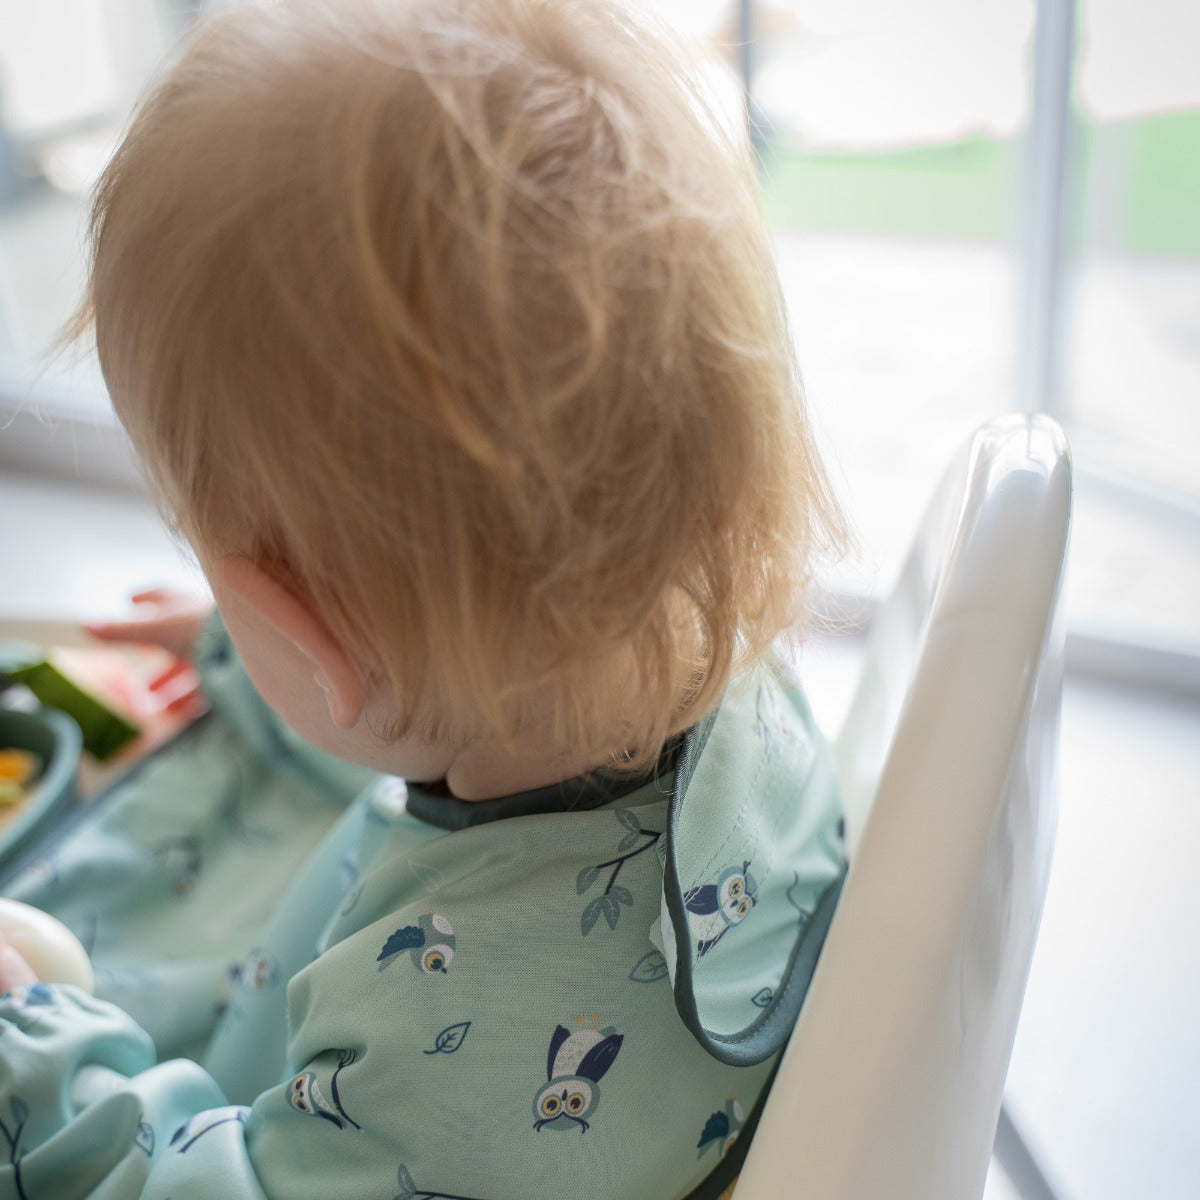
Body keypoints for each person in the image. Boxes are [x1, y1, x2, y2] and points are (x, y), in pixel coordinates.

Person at [0, 1, 849, 1197]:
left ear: (318, 641)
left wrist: (37, 1051)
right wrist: (239, 654)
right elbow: (441, 633)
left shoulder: (465, 1055)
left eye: (230, 586)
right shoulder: (695, 636)